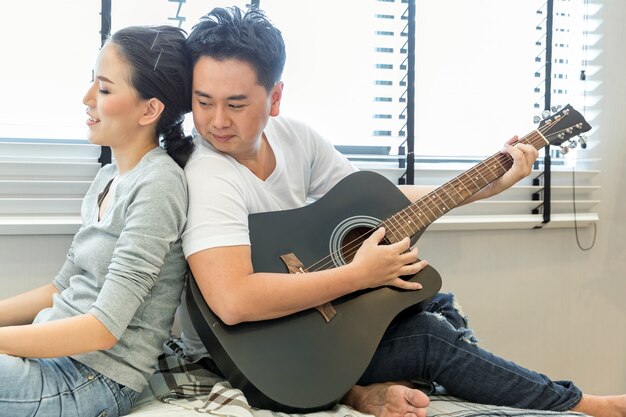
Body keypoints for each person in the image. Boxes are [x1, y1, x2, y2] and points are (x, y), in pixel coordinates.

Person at [177, 6, 626, 417]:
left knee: (429, 296)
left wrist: (491, 184)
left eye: (236, 104)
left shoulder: (295, 138)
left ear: (274, 98)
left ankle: (367, 388)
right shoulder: (208, 175)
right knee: (430, 336)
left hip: (309, 320)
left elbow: (377, 204)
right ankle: (585, 405)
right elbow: (233, 302)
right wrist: (358, 275)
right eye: (203, 102)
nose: (217, 121)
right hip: (256, 351)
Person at [0, 25, 193, 417]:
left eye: (104, 89)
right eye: (93, 83)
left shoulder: (159, 184)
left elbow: (103, 330)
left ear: (149, 109)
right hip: (55, 359)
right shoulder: (108, 178)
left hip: (92, 379)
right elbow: (60, 287)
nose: (87, 99)